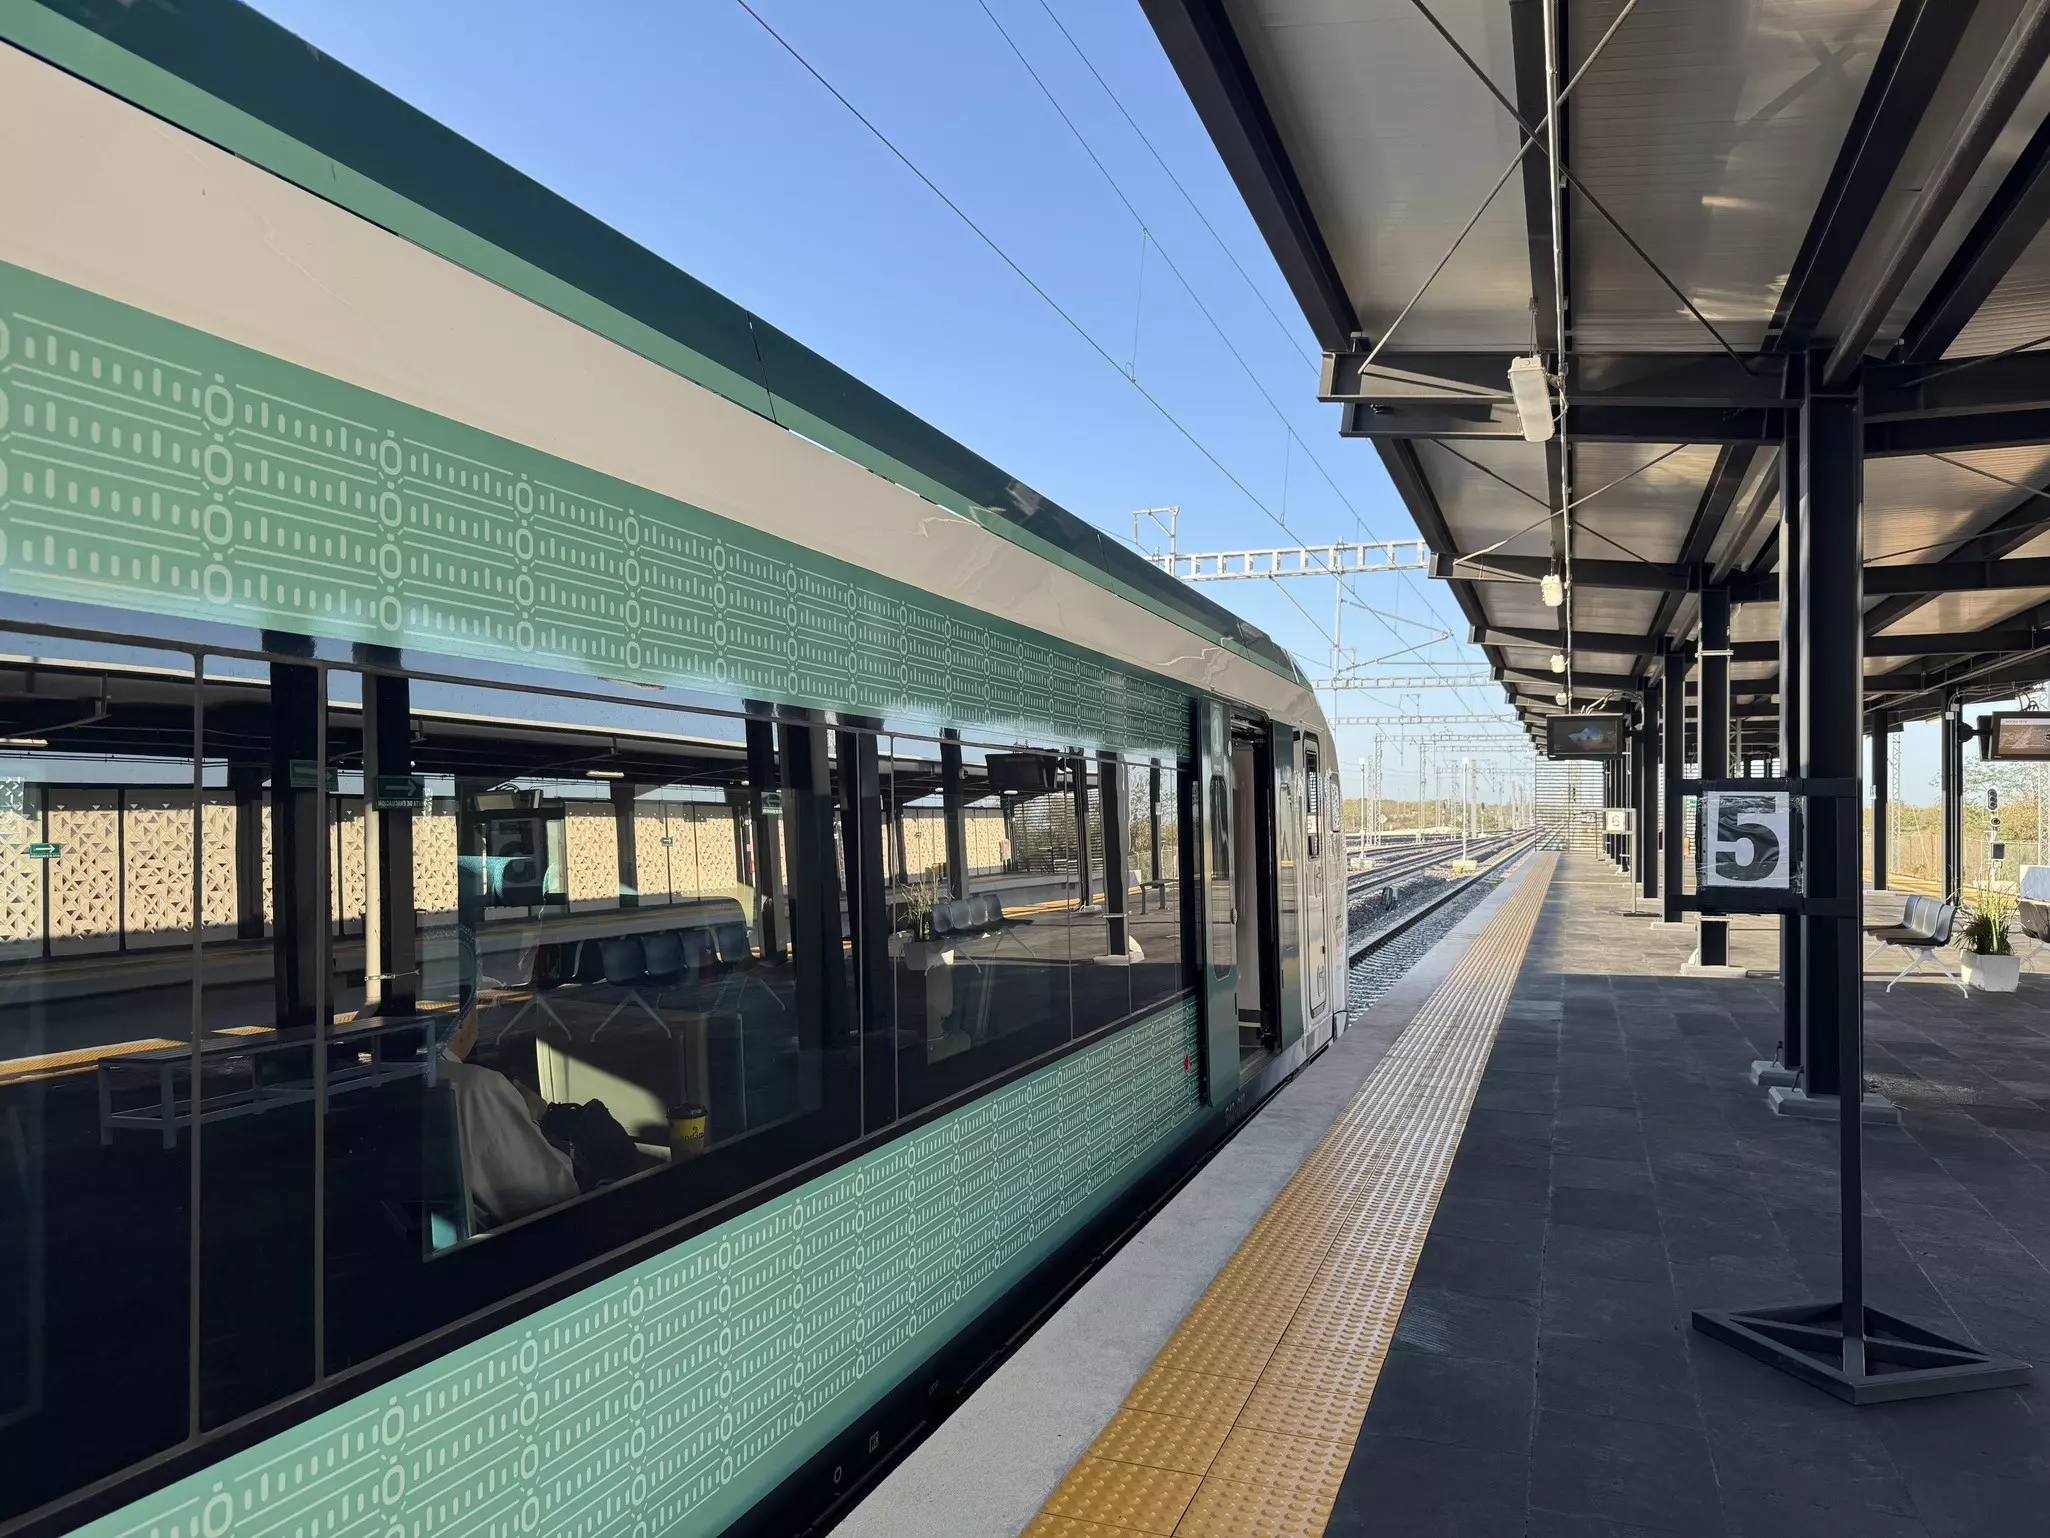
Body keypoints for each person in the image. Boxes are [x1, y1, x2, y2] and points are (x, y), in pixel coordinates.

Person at [440, 1015, 578, 1227]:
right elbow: (553, 1197)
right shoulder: (477, 1088)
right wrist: (538, 1118)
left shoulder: (394, 1076)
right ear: (460, 1025)